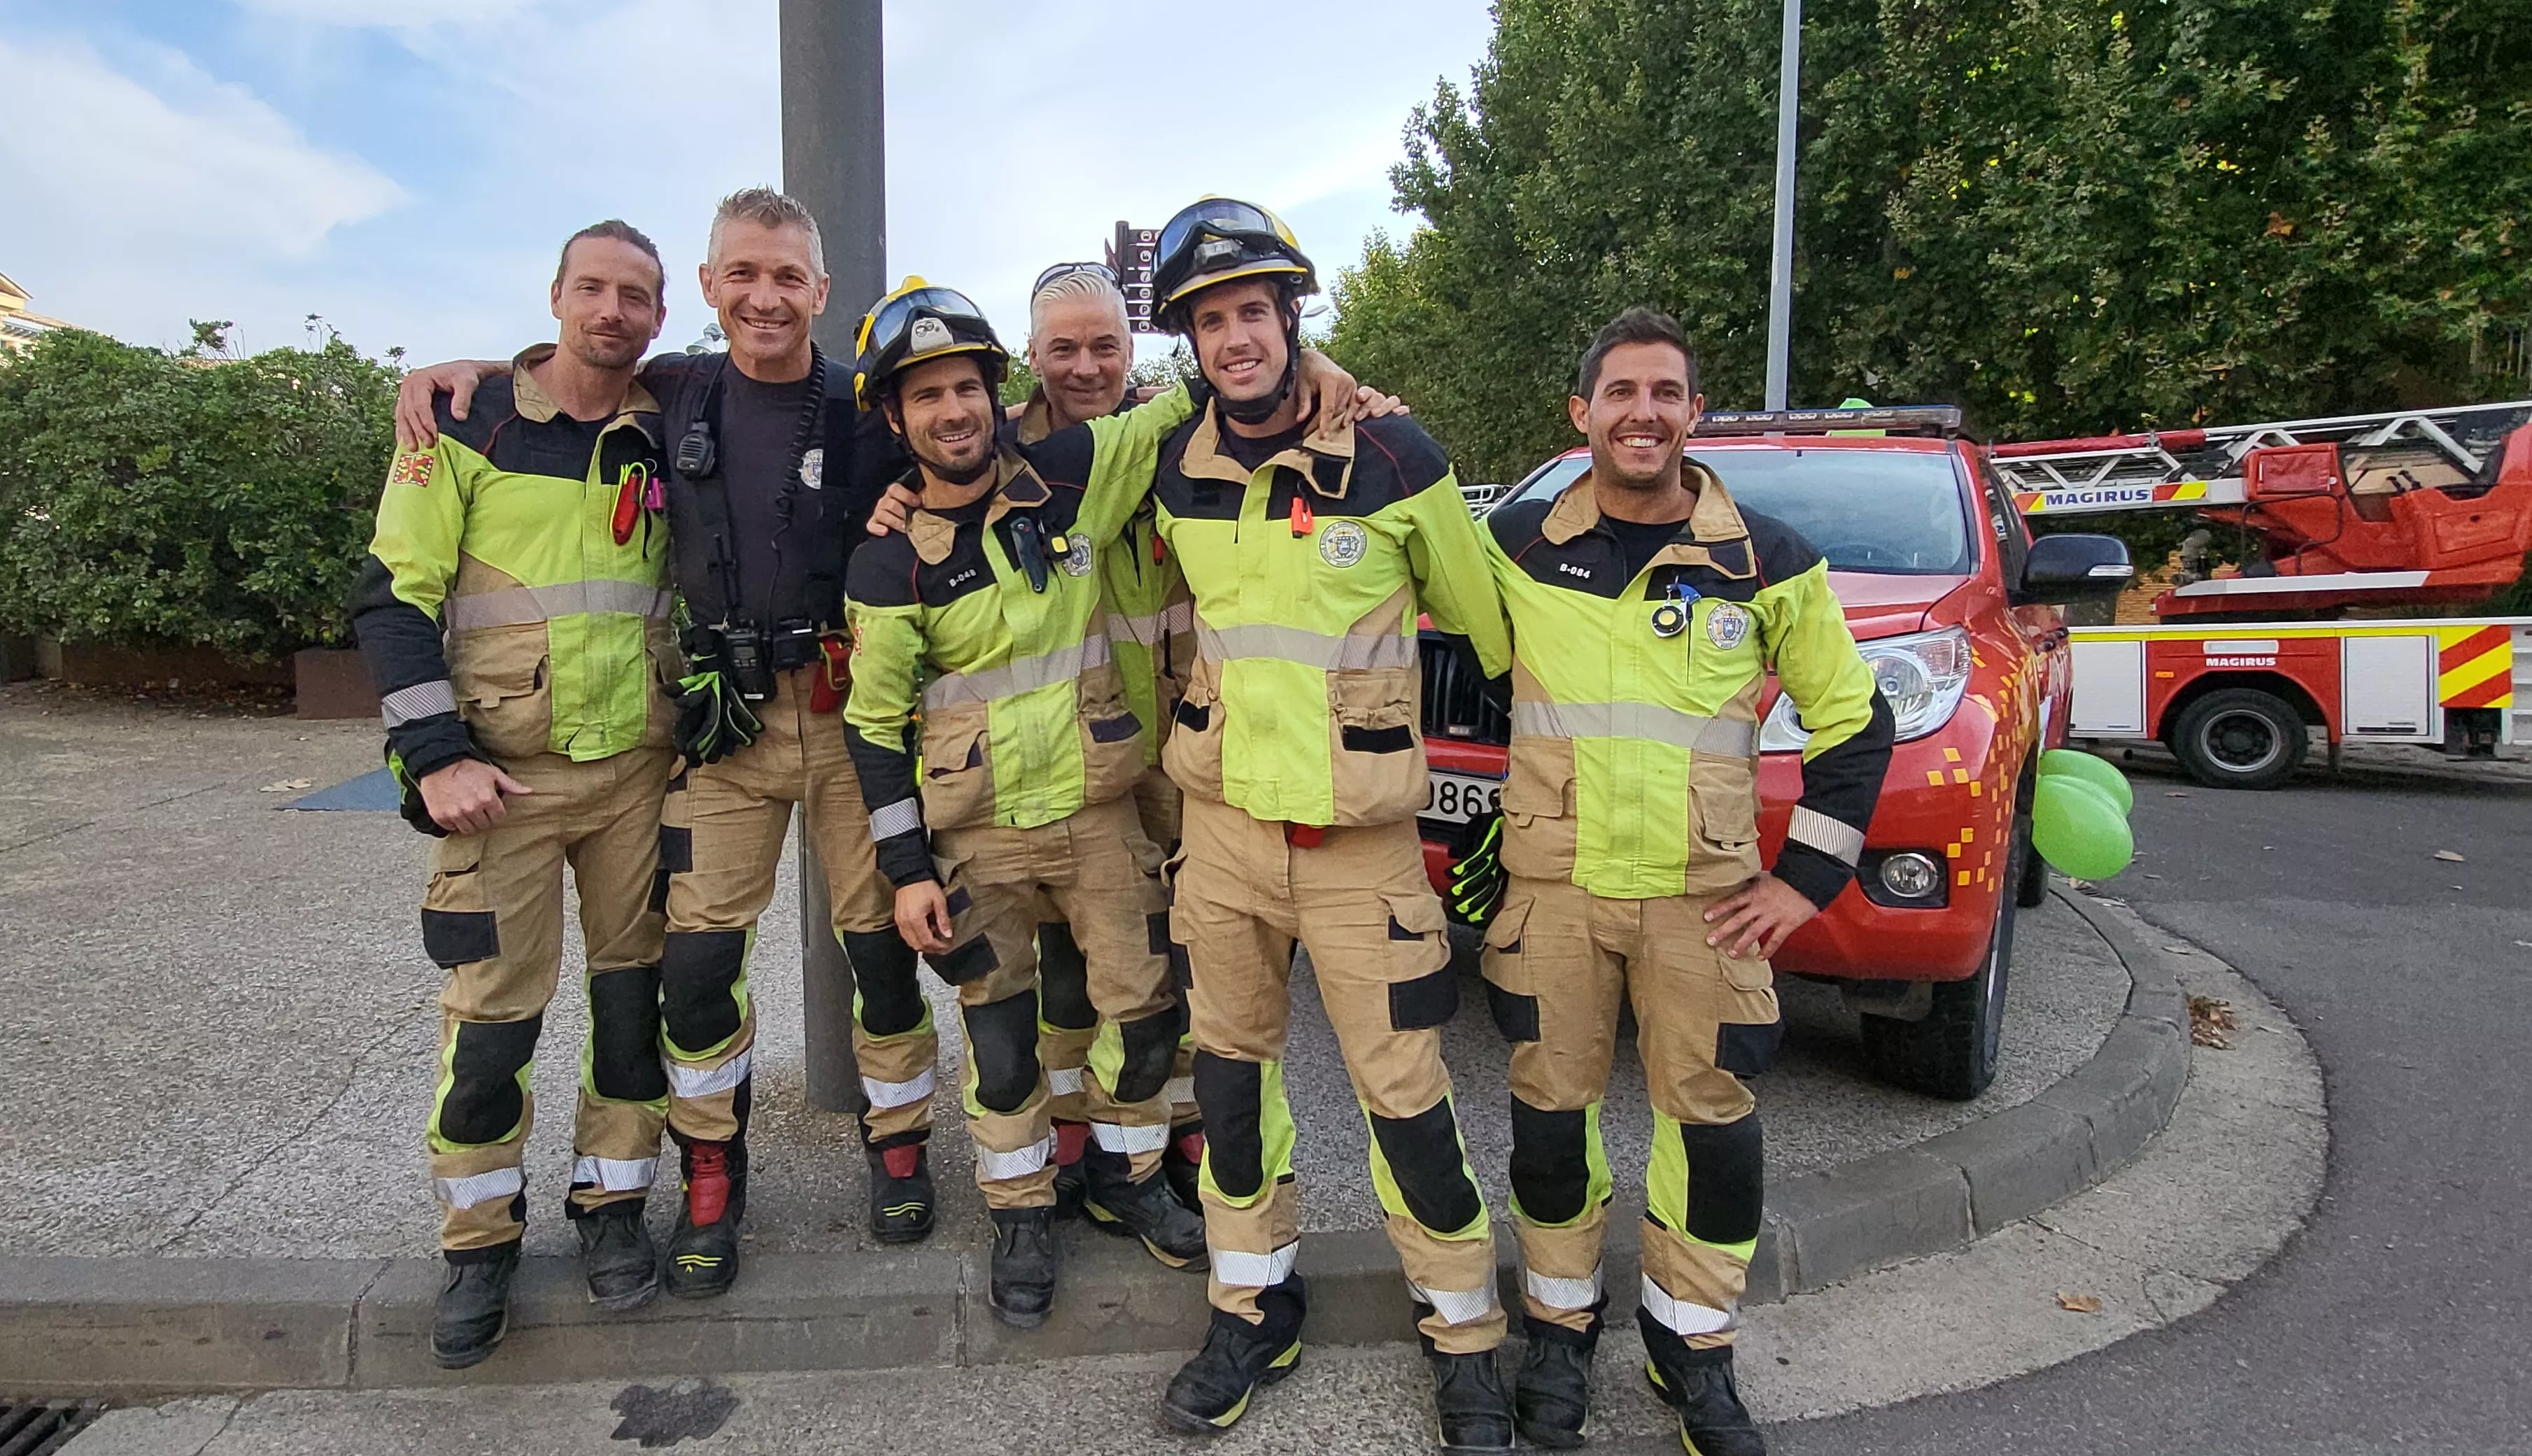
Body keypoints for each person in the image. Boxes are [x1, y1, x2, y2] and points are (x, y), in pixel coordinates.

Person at [392, 188, 936, 1301]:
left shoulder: (869, 411)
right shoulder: (667, 390)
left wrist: (1323, 383)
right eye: (741, 274)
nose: (765, 295)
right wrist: (451, 374)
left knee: (877, 954)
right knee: (688, 974)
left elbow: (985, 439)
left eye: (788, 277)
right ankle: (698, 1168)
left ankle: (895, 1146)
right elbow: (559, 376)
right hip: (714, 734)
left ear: (822, 293)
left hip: (837, 725)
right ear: (708, 289)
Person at [1453, 307, 1893, 1454]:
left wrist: (1805, 880)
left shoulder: (1769, 560)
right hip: (1553, 890)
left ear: (1694, 414)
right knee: (1549, 1120)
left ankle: (1691, 1349)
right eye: (1620, 393)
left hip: (1705, 901)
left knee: (1713, 1125)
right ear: (1581, 413)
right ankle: (1557, 1332)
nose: (1641, 413)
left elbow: (1855, 720)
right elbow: (1402, 553)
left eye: (1665, 393)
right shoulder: (1513, 544)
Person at [1135, 199, 1520, 1451]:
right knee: (1233, 1098)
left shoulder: (1399, 455)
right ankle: (1252, 1308)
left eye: (1253, 311)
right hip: (1226, 844)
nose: (1233, 338)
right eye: (1209, 320)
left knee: (1407, 1099)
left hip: (1360, 855)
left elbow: (1488, 622)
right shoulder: (1169, 462)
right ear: (1188, 340)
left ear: (1292, 318)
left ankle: (1462, 1334)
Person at [841, 279, 1210, 1324]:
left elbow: (1193, 400)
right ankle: (1018, 1211)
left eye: (966, 387)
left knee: (1143, 1024)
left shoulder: (1071, 478)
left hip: (1099, 823)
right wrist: (907, 871)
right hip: (978, 846)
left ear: (996, 392)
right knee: (1002, 1055)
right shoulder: (885, 560)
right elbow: (872, 727)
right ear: (897, 420)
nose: (951, 411)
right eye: (926, 399)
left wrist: (1327, 374)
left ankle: (1125, 1183)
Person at [353, 220, 679, 1368]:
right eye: (592, 289)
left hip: (638, 775)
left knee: (633, 1011)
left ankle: (614, 1204)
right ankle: (477, 1240)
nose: (612, 312)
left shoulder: (664, 420)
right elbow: (392, 599)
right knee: (493, 1025)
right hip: (500, 785)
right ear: (554, 298)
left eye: (635, 295)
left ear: (658, 311)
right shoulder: (463, 421)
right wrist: (434, 753)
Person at [1010, 264, 1204, 1214]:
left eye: (1104, 347)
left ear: (1132, 350)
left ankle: (1170, 1136)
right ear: (1030, 351)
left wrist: (1340, 373)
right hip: (1072, 760)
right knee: (1067, 976)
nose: (1085, 367)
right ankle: (1075, 1140)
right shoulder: (998, 453)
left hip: (1177, 749)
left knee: (1175, 963)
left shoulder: (1183, 436)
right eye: (1062, 348)